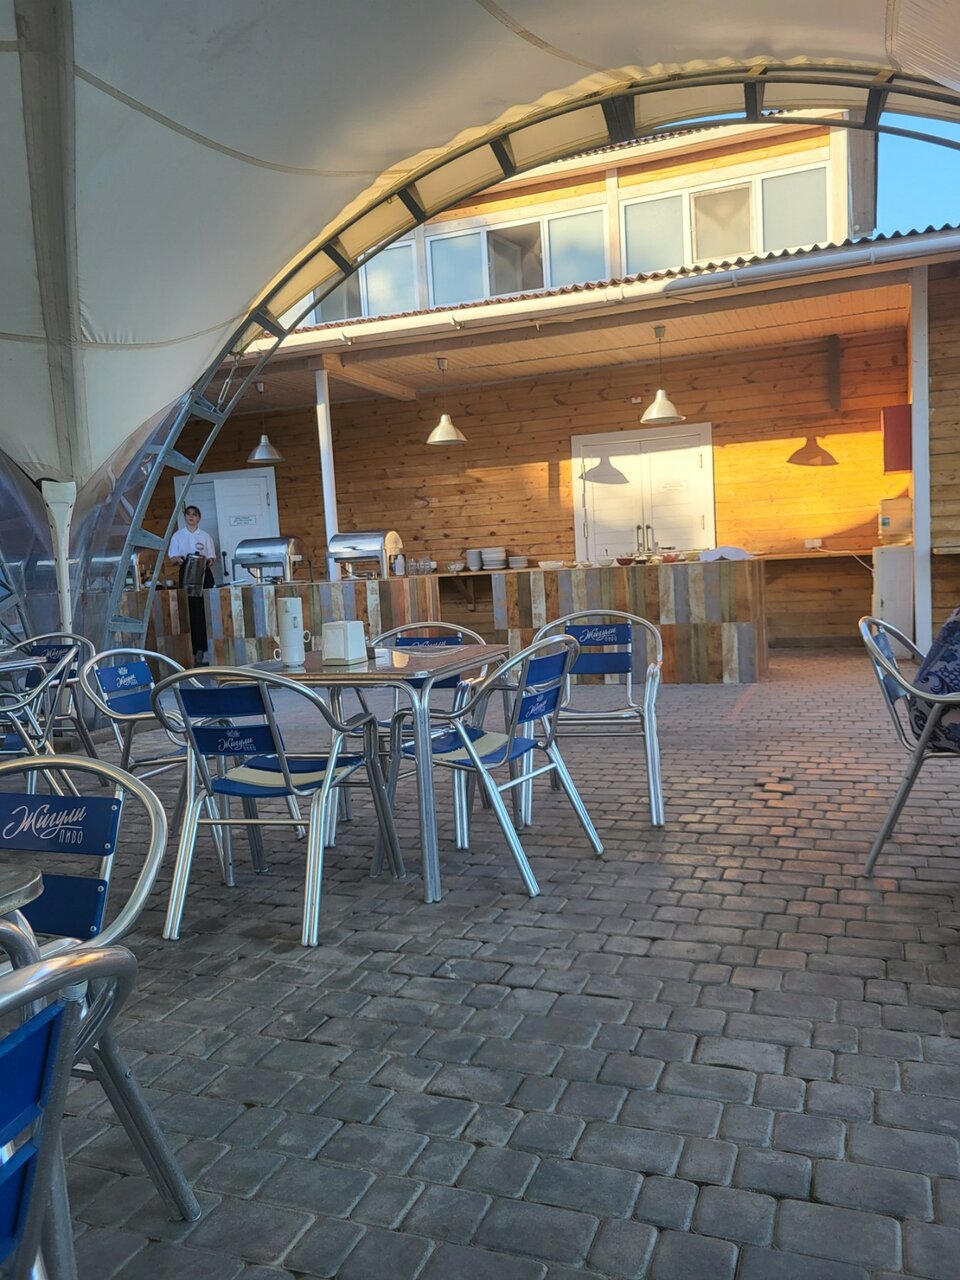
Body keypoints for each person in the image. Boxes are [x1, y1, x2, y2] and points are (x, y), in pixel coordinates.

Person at [167, 505, 216, 663]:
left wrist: (208, 561)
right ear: (185, 517)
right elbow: (172, 558)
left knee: (206, 610)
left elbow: (212, 558)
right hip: (187, 573)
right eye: (188, 514)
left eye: (194, 514)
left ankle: (208, 649)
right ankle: (195, 650)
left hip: (203, 574)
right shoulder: (178, 536)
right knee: (191, 612)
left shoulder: (205, 536)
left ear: (199, 518)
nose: (191, 517)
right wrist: (180, 560)